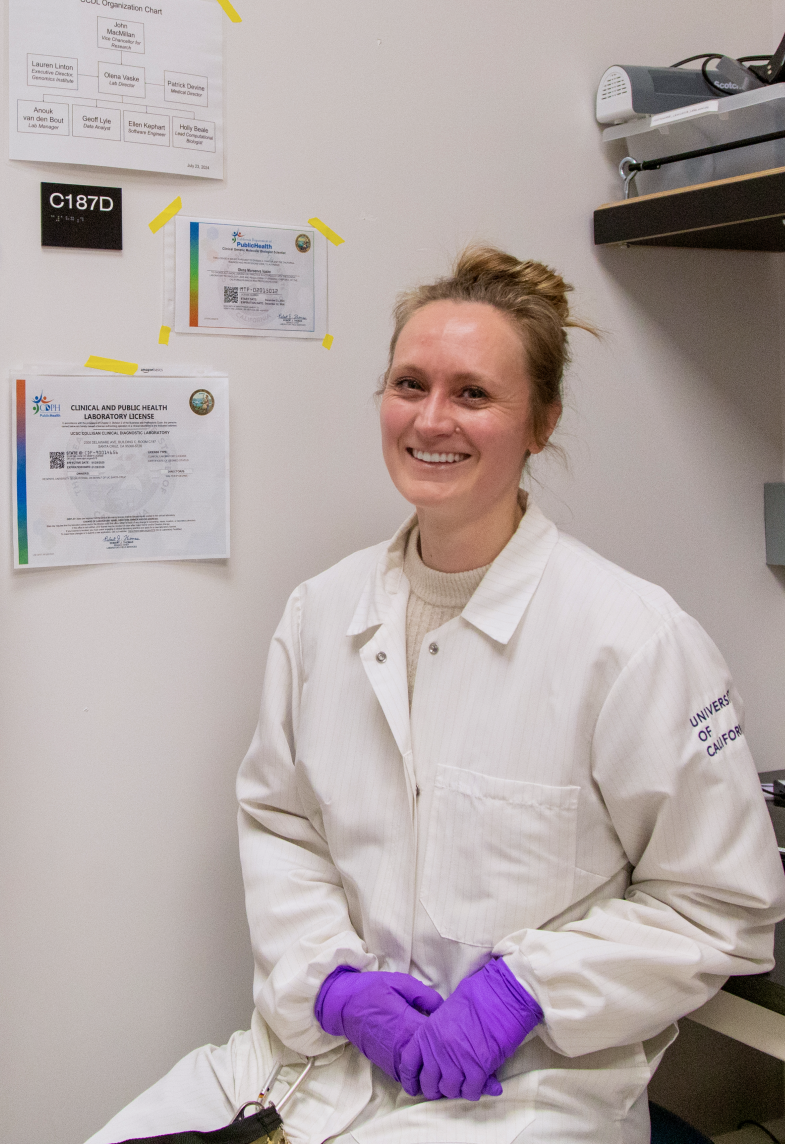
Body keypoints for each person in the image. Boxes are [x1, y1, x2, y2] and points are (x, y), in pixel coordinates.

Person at [86, 248, 785, 1144]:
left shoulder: (633, 639)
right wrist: (334, 986)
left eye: (473, 394)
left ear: (541, 424)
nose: (431, 419)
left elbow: (720, 905)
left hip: (524, 1092)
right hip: (316, 1061)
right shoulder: (322, 614)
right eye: (409, 383)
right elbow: (282, 826)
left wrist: (521, 991)